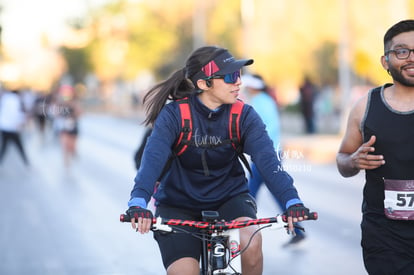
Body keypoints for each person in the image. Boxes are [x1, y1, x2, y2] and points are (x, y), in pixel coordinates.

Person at [125, 46, 312, 275]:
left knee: (252, 243)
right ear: (204, 84)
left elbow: (269, 163)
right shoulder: (174, 115)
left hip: (230, 198)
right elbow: (151, 161)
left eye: (239, 75)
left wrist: (292, 201)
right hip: (178, 205)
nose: (239, 82)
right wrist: (138, 203)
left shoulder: (244, 115)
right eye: (231, 76)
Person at [336, 19, 414, 274]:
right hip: (385, 236)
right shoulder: (365, 106)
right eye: (402, 51)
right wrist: (353, 161)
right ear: (386, 61)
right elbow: (343, 159)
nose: (411, 58)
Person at [242, 74, 306, 246]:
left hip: (266, 155)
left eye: (247, 86)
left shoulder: (259, 102)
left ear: (254, 87)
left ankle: (241, 227)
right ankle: (297, 229)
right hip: (271, 152)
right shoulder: (265, 100)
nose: (245, 88)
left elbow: (264, 130)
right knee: (277, 191)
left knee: (249, 193)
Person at [0, 88, 30, 166]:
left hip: (4, 127)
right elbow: (17, 114)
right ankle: (26, 163)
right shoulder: (16, 100)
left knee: (4, 147)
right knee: (19, 146)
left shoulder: (5, 98)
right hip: (12, 128)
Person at [55, 85, 81, 169]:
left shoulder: (74, 103)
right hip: (63, 128)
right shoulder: (60, 104)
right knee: (64, 146)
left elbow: (80, 113)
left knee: (72, 146)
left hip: (73, 127)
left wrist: (72, 113)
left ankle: (73, 152)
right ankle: (67, 165)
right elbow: (56, 114)